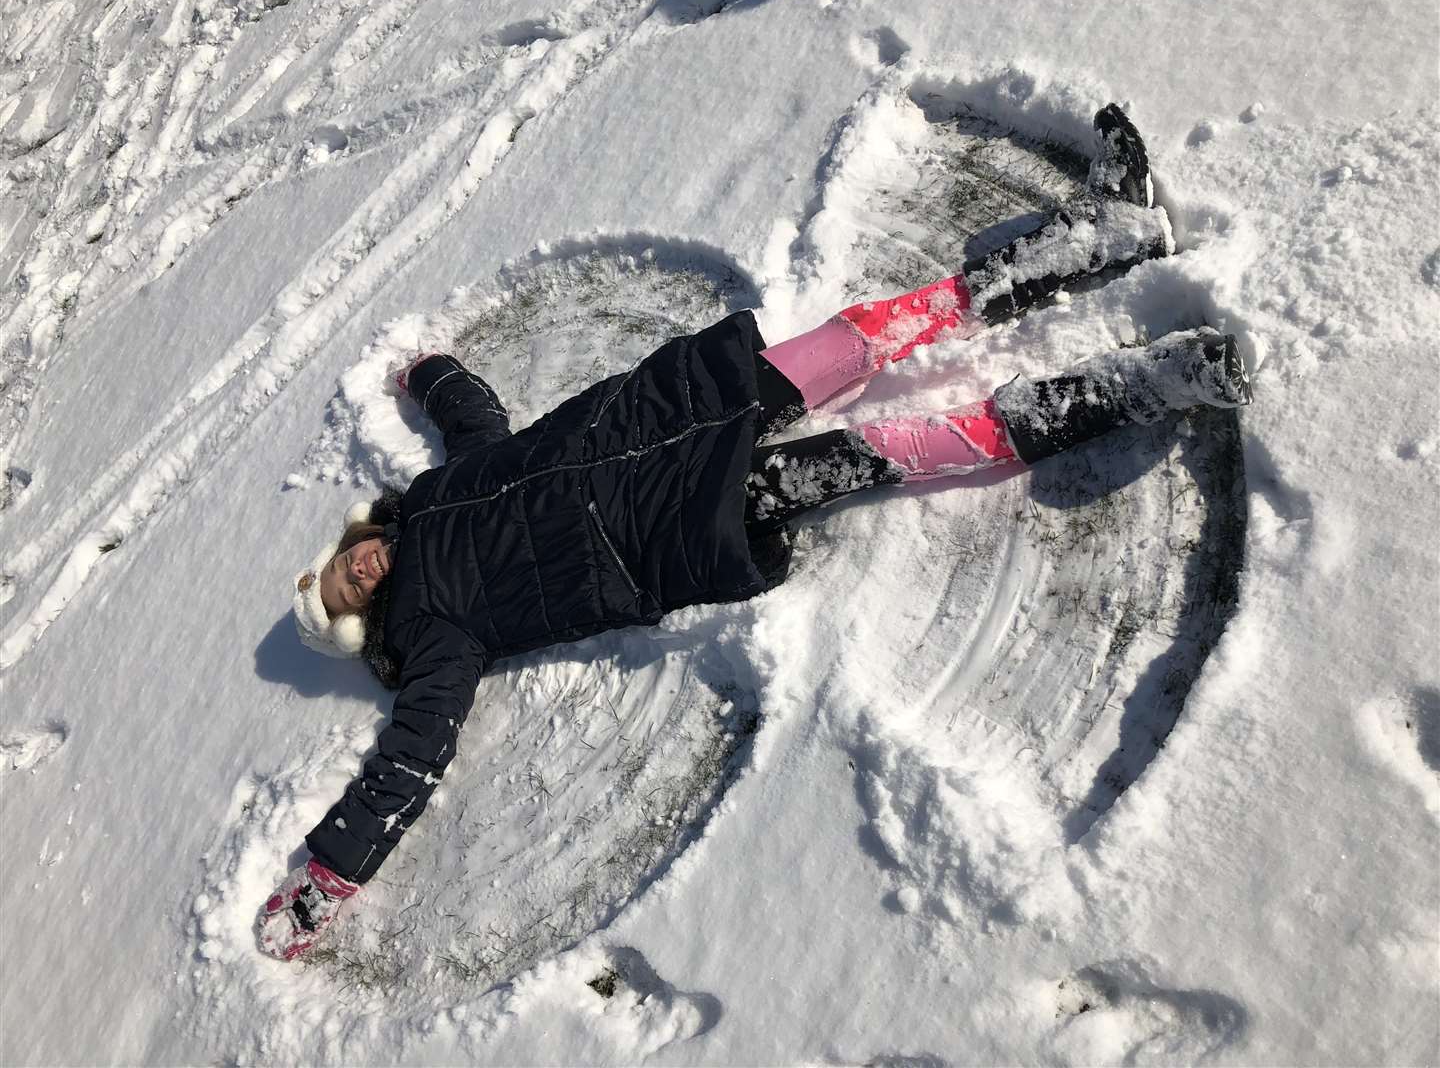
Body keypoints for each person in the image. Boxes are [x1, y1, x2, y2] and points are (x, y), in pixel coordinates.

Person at [259, 105, 1252, 960]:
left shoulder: (433, 496)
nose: (355, 569)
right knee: (900, 448)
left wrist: (429, 374)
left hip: (670, 411)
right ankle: (1140, 384)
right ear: (364, 618)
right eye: (347, 593)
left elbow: (476, 428)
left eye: (336, 566)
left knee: (882, 326)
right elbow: (411, 758)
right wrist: (326, 879)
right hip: (682, 521)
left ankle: (1105, 236)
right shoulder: (433, 637)